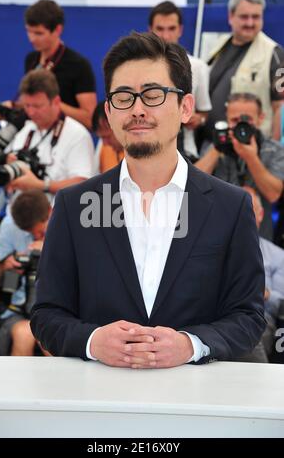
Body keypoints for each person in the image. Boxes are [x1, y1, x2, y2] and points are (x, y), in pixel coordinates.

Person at [31, 32, 265, 368]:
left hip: (197, 405)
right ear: (110, 112)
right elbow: (47, 314)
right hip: (99, 403)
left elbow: (248, 316)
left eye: (153, 95)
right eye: (124, 97)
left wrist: (190, 345)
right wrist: (94, 341)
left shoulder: (230, 206)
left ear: (185, 107)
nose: (138, 109)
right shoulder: (74, 205)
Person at [196, 92, 284, 241]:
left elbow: (274, 194)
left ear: (260, 119)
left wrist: (251, 158)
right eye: (235, 120)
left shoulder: (273, 149)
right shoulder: (215, 147)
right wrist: (217, 149)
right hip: (218, 234)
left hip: (260, 238)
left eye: (247, 120)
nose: (240, 125)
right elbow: (193, 185)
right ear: (227, 119)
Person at [206, 0, 284, 140]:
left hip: (252, 148)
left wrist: (272, 152)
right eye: (244, 17)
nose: (250, 23)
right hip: (214, 144)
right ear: (230, 16)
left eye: (256, 17)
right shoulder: (218, 46)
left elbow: (280, 108)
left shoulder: (275, 54)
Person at [5, 69, 94, 198]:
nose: (31, 112)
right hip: (16, 213)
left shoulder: (77, 134)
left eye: (37, 106)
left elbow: (83, 185)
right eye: (27, 105)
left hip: (57, 215)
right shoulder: (23, 131)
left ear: (56, 102)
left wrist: (41, 185)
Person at [148, 0, 211, 159]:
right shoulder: (139, 67)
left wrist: (197, 119)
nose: (166, 36)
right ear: (150, 30)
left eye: (171, 28)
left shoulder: (198, 67)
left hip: (186, 151)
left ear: (180, 30)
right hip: (147, 146)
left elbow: (204, 114)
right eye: (160, 29)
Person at [24, 0, 97, 129]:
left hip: (67, 140)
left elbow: (90, 120)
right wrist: (13, 107)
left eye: (39, 33)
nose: (31, 38)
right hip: (36, 136)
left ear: (58, 30)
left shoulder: (78, 65)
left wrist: (52, 103)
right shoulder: (31, 60)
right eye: (28, 31)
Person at [0, 190, 51, 356]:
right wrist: (6, 266)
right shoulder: (9, 226)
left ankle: (63, 382)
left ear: (50, 212)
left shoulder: (66, 222)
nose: (35, 236)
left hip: (57, 309)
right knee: (24, 334)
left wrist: (50, 253)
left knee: (49, 338)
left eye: (40, 232)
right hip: (15, 309)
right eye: (29, 233)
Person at [240, 186, 284, 362]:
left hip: (258, 318)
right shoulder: (209, 251)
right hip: (216, 316)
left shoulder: (277, 255)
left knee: (247, 329)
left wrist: (265, 294)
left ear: (260, 214)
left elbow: (282, 303)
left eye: (247, 210)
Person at [92, 101, 124, 173]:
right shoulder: (103, 149)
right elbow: (106, 183)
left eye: (107, 137)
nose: (105, 143)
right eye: (102, 138)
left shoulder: (141, 153)